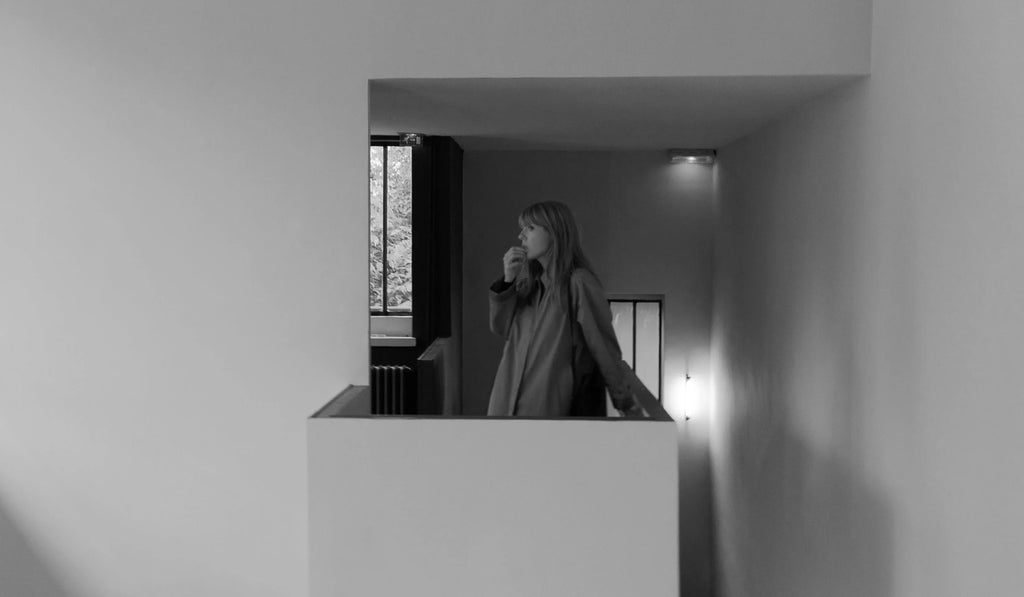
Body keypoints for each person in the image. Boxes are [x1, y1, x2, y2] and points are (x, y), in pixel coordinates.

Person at [487, 201, 641, 417]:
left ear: (554, 231)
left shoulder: (578, 282)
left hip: (549, 409)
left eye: (530, 228)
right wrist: (508, 280)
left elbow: (602, 345)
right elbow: (502, 329)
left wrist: (625, 403)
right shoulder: (528, 284)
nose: (521, 236)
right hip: (506, 406)